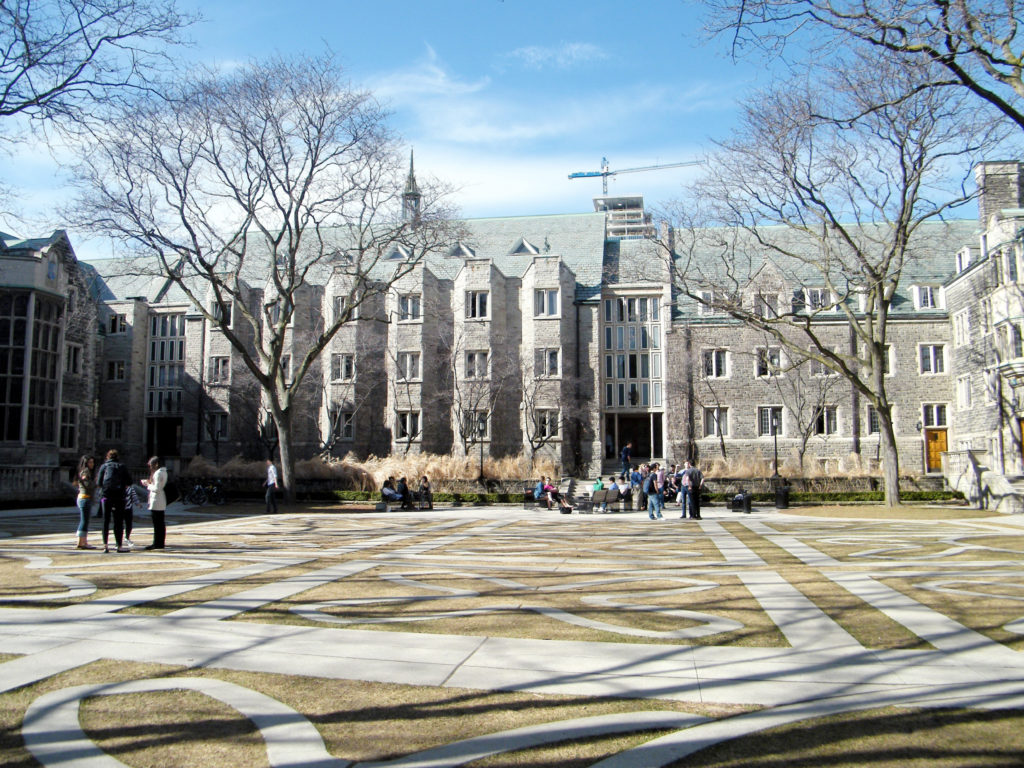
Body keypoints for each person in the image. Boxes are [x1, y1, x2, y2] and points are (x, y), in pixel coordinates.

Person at [96, 449, 132, 553]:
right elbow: (130, 481)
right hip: (119, 497)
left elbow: (99, 482)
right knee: (118, 521)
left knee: (105, 521)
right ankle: (119, 545)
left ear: (107, 457)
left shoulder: (104, 466)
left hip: (106, 496)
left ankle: (105, 545)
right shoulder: (122, 466)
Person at [141, 456, 167, 549]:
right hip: (159, 500)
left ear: (155, 464)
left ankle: (158, 543)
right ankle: (159, 542)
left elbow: (157, 488)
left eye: (151, 465)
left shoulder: (158, 473)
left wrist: (147, 485)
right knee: (159, 523)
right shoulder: (163, 472)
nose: (150, 467)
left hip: (157, 500)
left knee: (157, 523)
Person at [74, 455, 97, 550]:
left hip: (85, 498)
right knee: (84, 521)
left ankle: (84, 541)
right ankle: (81, 542)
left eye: (92, 462)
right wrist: (95, 482)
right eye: (90, 462)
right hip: (84, 498)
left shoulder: (85, 471)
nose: (92, 464)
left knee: (85, 521)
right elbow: (88, 485)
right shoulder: (85, 472)